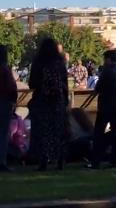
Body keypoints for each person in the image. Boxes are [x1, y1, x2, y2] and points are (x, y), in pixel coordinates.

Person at [28, 37, 69, 171]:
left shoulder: (38, 63)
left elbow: (32, 83)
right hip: (59, 100)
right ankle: (60, 160)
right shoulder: (60, 63)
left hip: (42, 99)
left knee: (43, 131)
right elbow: (65, 83)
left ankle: (43, 160)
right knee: (58, 130)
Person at [87, 49, 116, 170]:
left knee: (98, 133)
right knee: (115, 133)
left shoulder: (106, 71)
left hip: (106, 106)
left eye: (105, 59)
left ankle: (96, 161)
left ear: (109, 59)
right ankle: (114, 160)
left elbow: (97, 88)